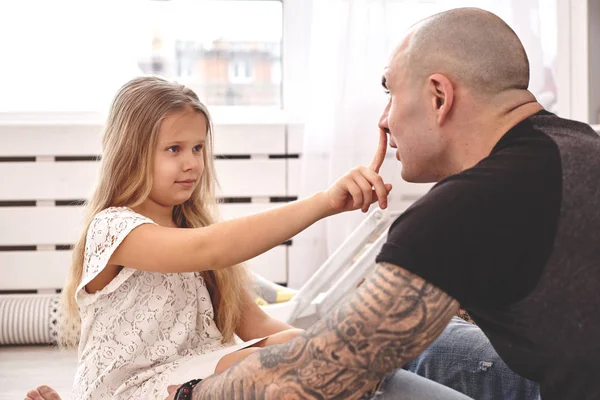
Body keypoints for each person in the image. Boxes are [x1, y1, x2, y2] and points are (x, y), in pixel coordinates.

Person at [150, 7, 596, 399]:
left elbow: (318, 376)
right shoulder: (580, 144)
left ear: (439, 97)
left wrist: (197, 393)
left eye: (390, 93)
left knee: (357, 376)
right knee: (426, 340)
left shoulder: (463, 207)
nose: (384, 121)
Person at [25, 75, 392, 400]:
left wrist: (324, 349)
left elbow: (257, 326)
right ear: (131, 153)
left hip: (195, 371)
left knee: (298, 348)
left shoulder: (193, 231)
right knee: (271, 367)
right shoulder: (113, 229)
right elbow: (210, 248)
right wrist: (325, 203)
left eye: (198, 148)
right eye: (174, 149)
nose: (192, 163)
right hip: (135, 388)